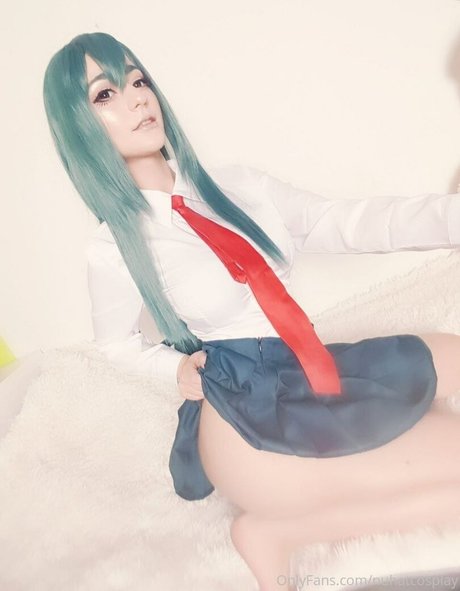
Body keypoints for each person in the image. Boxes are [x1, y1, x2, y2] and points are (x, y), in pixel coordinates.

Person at [43, 31, 460, 591]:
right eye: (105, 94)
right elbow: (115, 343)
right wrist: (173, 367)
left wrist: (452, 217)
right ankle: (276, 533)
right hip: (247, 415)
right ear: (79, 127)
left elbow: (346, 221)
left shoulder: (239, 187)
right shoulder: (114, 245)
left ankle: (290, 519)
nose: (137, 98)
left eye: (137, 80)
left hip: (308, 366)